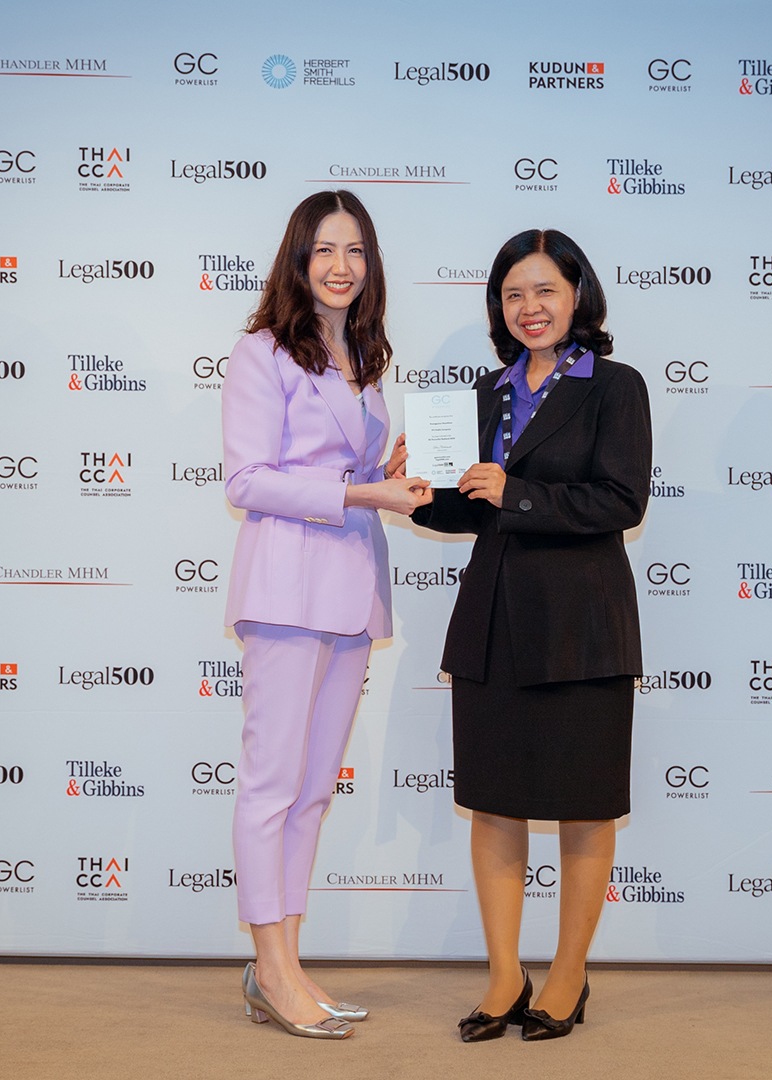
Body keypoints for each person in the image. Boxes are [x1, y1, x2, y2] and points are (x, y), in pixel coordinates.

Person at [409, 228, 651, 1042]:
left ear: (578, 294)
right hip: (494, 620)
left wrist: (515, 492)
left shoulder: (614, 387)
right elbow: (466, 509)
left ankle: (568, 975)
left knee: (583, 807)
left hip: (582, 623)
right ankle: (504, 975)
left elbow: (620, 501)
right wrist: (418, 489)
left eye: (544, 289)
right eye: (513, 294)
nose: (529, 307)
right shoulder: (486, 392)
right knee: (494, 804)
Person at [222, 190, 430, 1040]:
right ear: (298, 259)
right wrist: (362, 491)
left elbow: (346, 472)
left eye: (355, 251)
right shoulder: (261, 351)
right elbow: (247, 479)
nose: (341, 266)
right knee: (272, 786)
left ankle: (287, 964)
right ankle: (270, 970)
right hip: (283, 587)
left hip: (349, 588)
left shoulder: (363, 356)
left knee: (310, 793)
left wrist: (388, 472)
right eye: (324, 250)